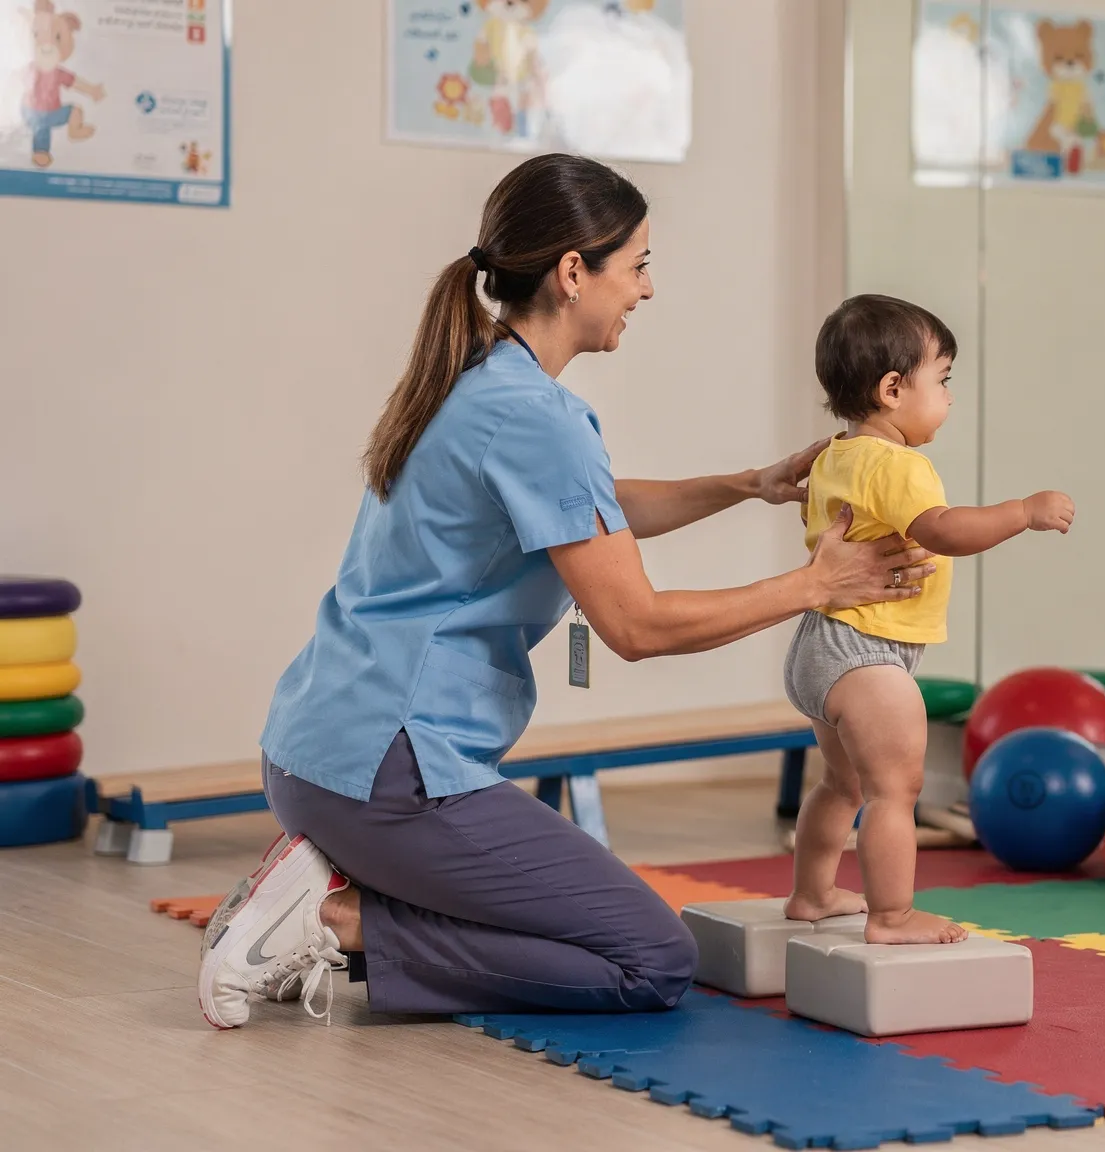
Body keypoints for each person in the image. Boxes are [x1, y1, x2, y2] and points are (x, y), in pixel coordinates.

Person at [197, 155, 937, 1029]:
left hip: (316, 750)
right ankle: (332, 919)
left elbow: (585, 510)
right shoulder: (535, 417)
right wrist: (816, 583)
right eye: (639, 266)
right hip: (392, 769)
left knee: (594, 931)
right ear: (573, 272)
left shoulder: (477, 376)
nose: (647, 291)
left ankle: (319, 887)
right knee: (652, 960)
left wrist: (745, 485)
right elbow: (637, 625)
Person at [781, 295, 1074, 945]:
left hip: (818, 648)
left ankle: (813, 893)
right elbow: (941, 530)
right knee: (895, 789)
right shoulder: (898, 465)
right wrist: (1021, 512)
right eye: (941, 381)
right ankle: (891, 916)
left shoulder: (838, 453)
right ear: (892, 390)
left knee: (842, 782)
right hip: (866, 656)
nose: (947, 396)